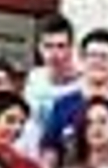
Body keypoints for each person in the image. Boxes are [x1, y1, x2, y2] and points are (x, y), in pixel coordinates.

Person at [40, 28, 108, 164]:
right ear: (81, 60)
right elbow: (49, 153)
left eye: (104, 56)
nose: (97, 62)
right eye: (92, 55)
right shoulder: (63, 105)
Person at [23, 13, 81, 150]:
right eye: (48, 46)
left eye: (61, 46)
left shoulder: (82, 84)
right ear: (39, 48)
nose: (54, 54)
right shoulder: (34, 78)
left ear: (71, 49)